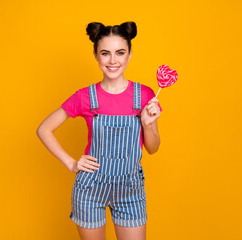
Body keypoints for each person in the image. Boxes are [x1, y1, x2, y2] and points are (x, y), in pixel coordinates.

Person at [37, 21, 162, 240]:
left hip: (130, 190)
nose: (113, 61)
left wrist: (147, 123)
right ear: (96, 55)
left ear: (130, 54)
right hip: (90, 190)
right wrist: (72, 163)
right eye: (105, 53)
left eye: (120, 53)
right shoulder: (85, 97)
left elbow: (153, 148)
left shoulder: (144, 95)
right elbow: (44, 129)